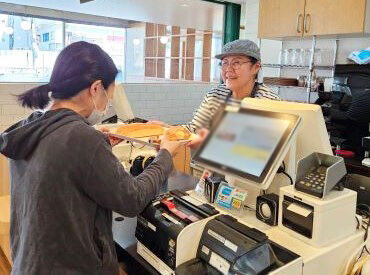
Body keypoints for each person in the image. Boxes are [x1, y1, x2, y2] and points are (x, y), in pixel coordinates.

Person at [0, 41, 181, 274]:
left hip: (30, 263)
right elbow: (132, 199)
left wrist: (97, 140)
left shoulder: (30, 128)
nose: (107, 106)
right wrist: (165, 155)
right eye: (109, 96)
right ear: (96, 88)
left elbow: (62, 167)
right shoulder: (82, 139)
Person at [185, 39, 280, 148]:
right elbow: (194, 129)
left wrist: (209, 140)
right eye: (225, 63)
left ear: (255, 67)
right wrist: (168, 130)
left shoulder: (268, 102)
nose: (228, 69)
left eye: (236, 63)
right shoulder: (215, 95)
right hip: (210, 162)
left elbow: (260, 147)